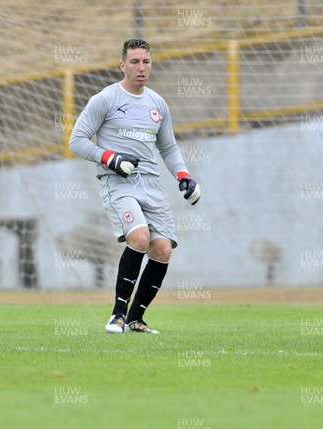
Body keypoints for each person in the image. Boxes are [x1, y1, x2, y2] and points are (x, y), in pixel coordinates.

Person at [69, 38, 200, 334]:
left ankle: (135, 319)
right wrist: (110, 158)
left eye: (146, 62)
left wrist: (183, 176)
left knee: (163, 249)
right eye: (135, 62)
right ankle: (117, 315)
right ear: (122, 65)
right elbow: (76, 141)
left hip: (152, 185)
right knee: (140, 238)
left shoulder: (157, 104)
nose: (142, 68)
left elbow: (168, 148)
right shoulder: (105, 99)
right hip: (119, 182)